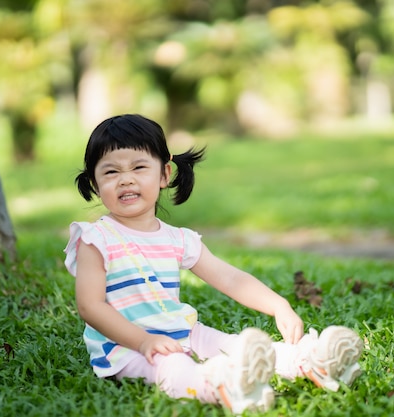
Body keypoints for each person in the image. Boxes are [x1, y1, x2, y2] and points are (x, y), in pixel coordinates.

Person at [64, 114, 364, 414]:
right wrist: (143, 341)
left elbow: (230, 279)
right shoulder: (96, 238)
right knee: (171, 365)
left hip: (181, 330)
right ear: (95, 182)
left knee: (231, 345)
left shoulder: (177, 239)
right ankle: (219, 384)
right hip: (124, 347)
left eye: (139, 167)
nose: (126, 179)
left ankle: (309, 362)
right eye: (111, 172)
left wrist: (278, 305)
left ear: (164, 174)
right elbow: (91, 307)